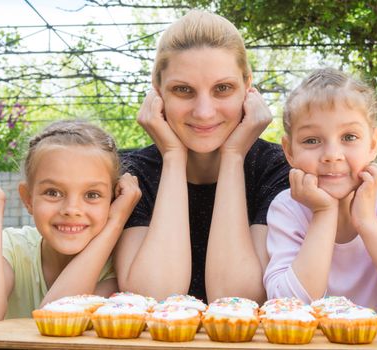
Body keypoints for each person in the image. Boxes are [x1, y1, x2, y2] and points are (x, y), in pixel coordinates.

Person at [115, 10, 289, 304]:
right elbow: (151, 299)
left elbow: (237, 300)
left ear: (247, 87)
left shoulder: (278, 169)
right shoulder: (132, 174)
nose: (204, 112)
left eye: (223, 88)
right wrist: (172, 157)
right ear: (158, 92)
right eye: (183, 90)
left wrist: (234, 158)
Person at [263, 68, 377, 328]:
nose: (332, 154)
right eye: (311, 140)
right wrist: (323, 213)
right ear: (289, 151)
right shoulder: (287, 208)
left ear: (373, 144)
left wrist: (367, 222)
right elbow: (291, 311)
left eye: (349, 137)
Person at [0, 120, 141, 323]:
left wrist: (116, 221)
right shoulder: (12, 247)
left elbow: (55, 317)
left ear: (113, 200)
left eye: (92, 194)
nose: (71, 210)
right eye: (53, 192)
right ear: (28, 199)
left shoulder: (117, 269)